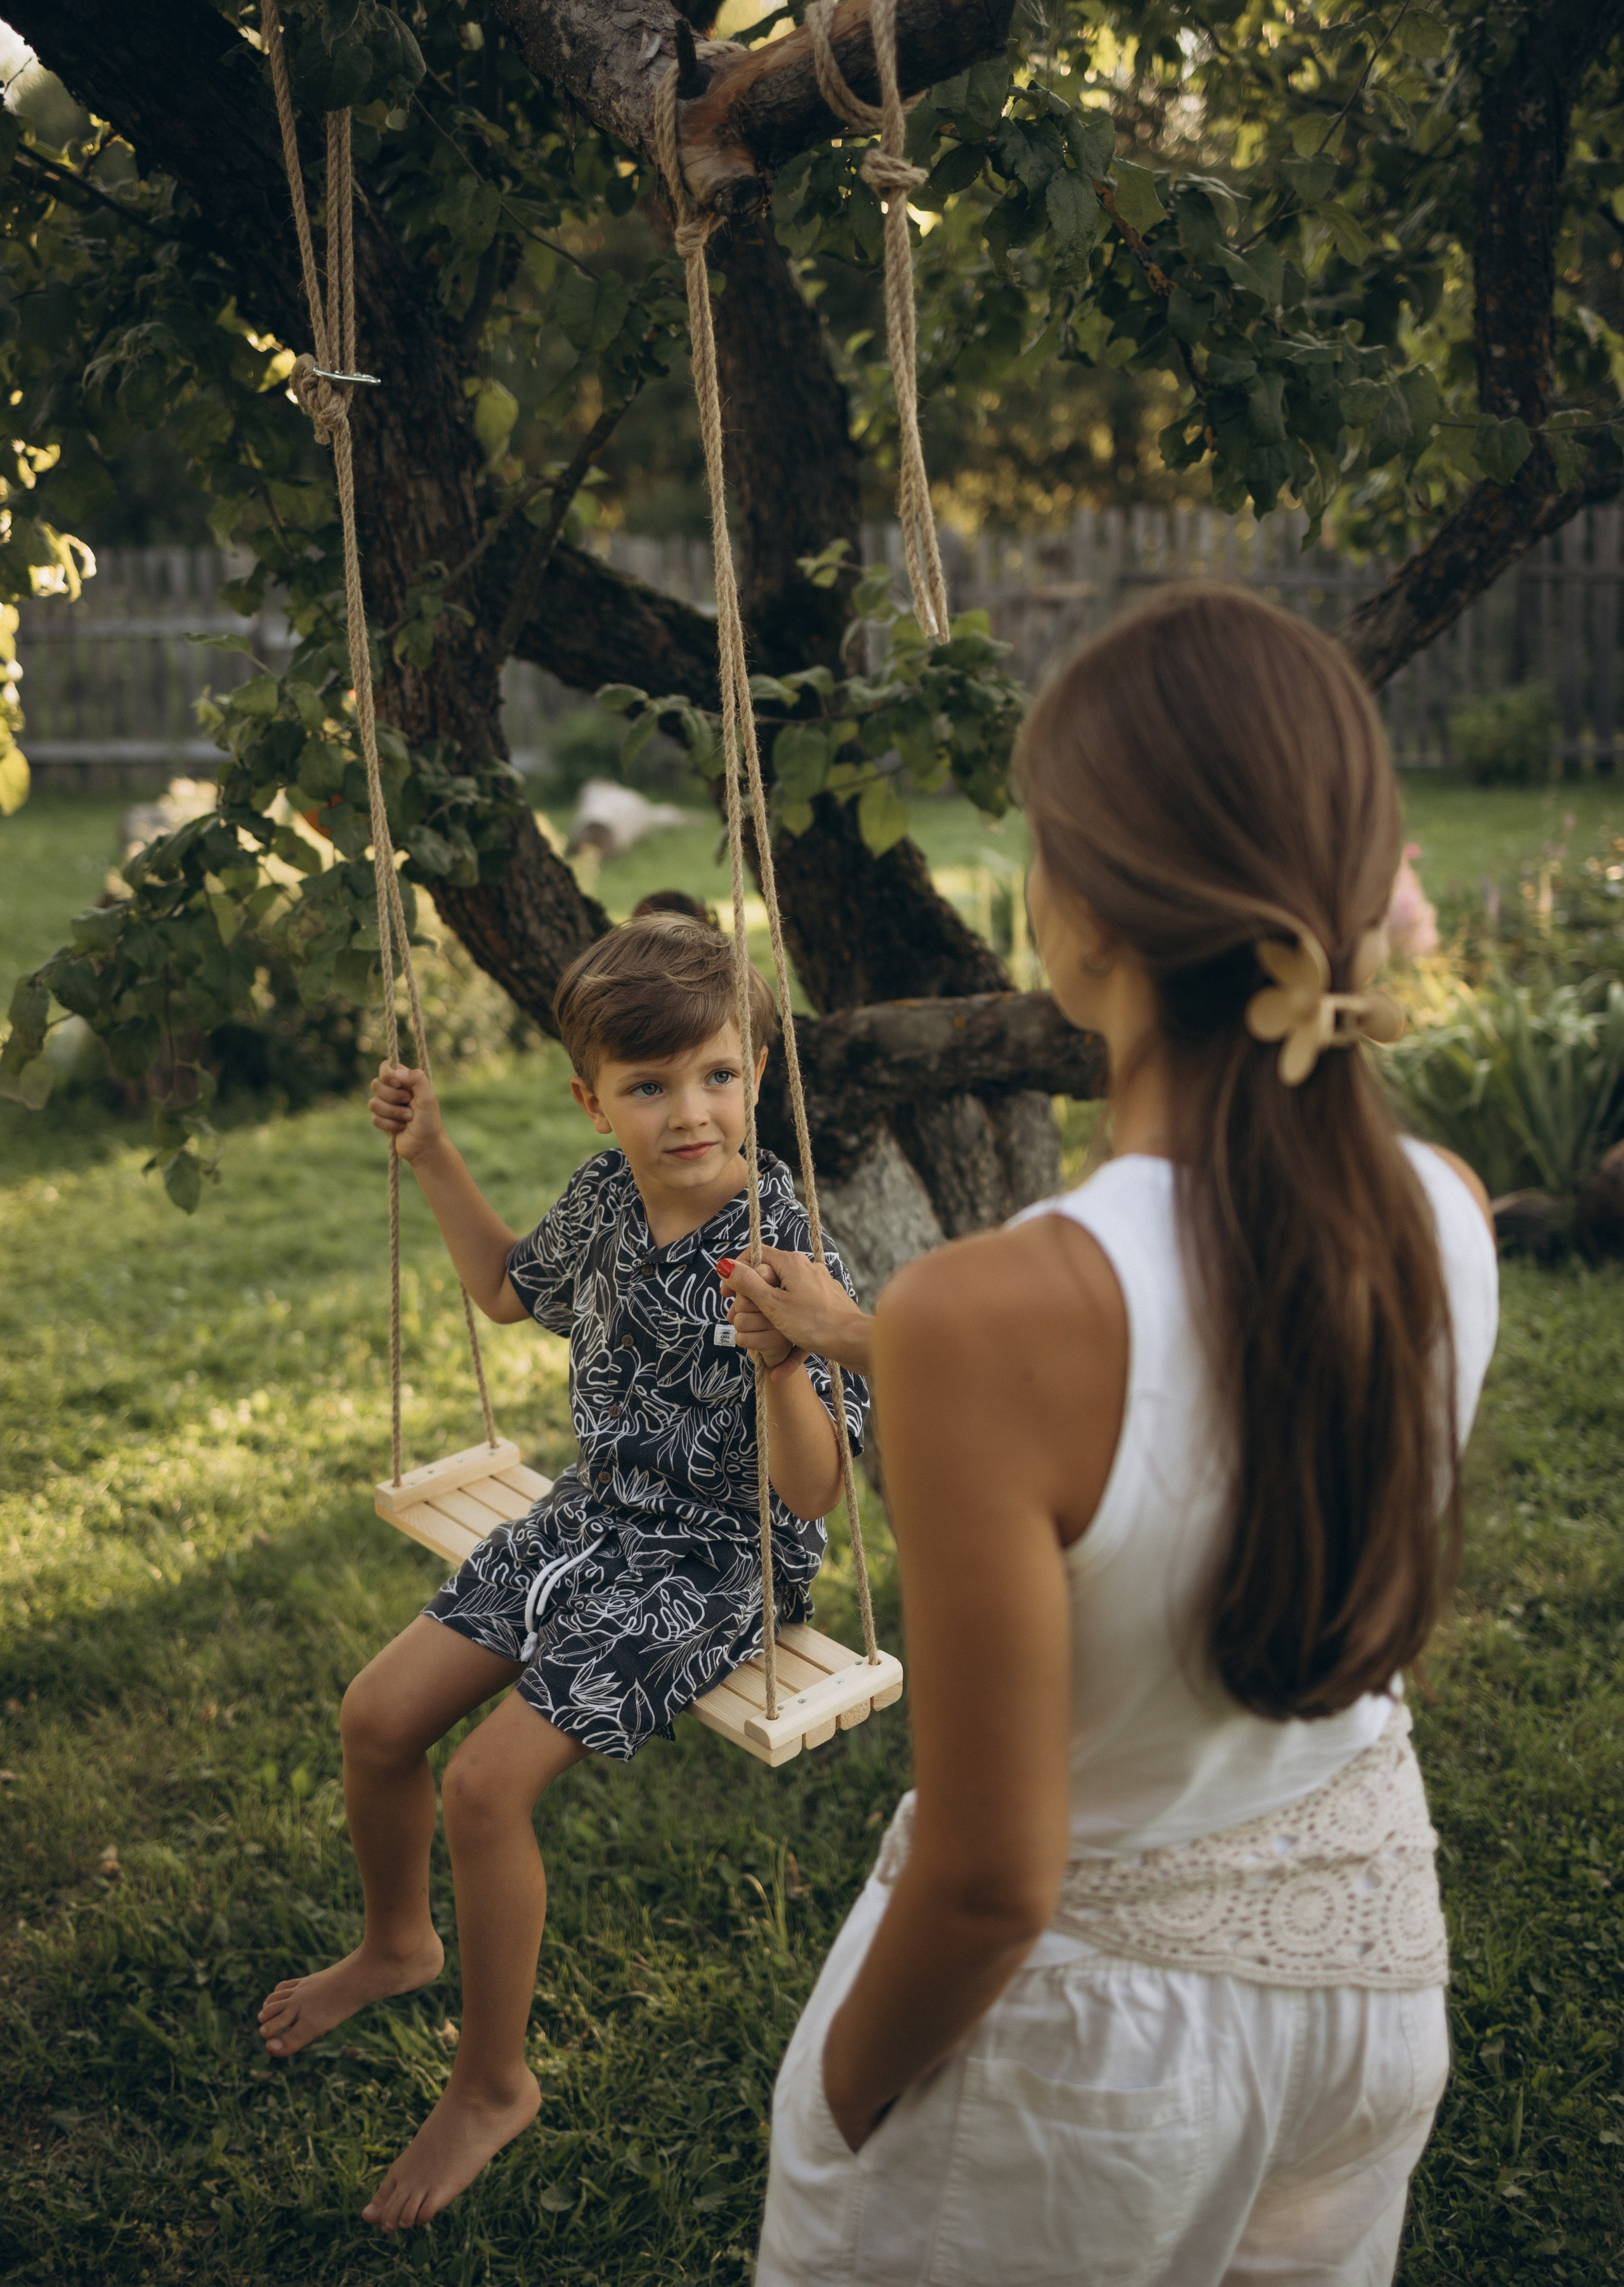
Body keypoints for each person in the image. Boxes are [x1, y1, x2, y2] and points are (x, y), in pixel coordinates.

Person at [750, 586, 1499, 2287]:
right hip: (1373, 2000)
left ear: (1074, 911)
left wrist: (836, 2107)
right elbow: (1209, 1421)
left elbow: (996, 1882)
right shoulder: (1447, 1213)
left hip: (1082, 2066)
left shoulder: (988, 1317)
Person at [256, 912, 867, 2231]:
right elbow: (499, 1289)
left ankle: (492, 2083)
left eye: (713, 1076)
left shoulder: (785, 1243)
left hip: (716, 1562)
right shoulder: (600, 1199)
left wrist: (776, 1357)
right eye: (647, 1087)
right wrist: (430, 1153)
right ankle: (395, 1945)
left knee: (486, 1786)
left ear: (755, 1073)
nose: (688, 1113)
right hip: (590, 1519)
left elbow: (814, 1494)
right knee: (376, 1719)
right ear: (592, 1100)